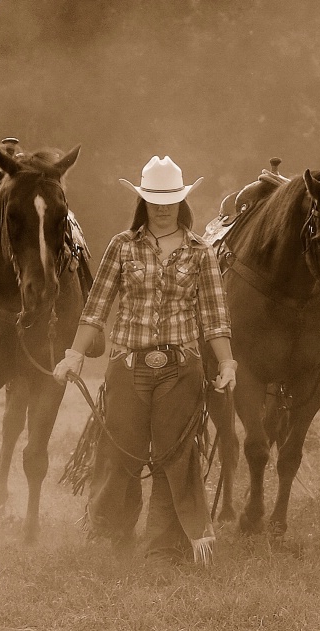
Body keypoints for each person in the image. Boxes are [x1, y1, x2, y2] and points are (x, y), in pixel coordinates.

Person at [53, 155, 236, 566]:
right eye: (154, 198)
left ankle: (163, 548)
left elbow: (214, 317)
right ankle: (111, 537)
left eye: (170, 198)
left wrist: (226, 364)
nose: (163, 206)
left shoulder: (201, 252)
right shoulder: (122, 246)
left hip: (182, 366)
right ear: (143, 201)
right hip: (128, 365)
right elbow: (96, 308)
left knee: (175, 455)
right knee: (120, 452)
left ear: (181, 201)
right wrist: (74, 355)